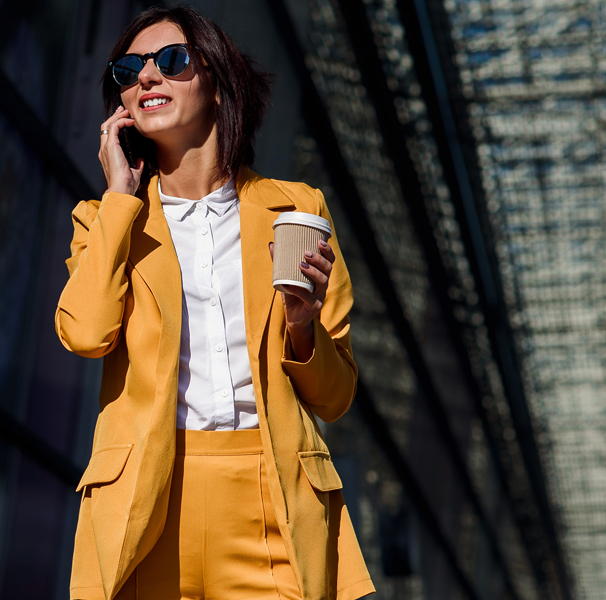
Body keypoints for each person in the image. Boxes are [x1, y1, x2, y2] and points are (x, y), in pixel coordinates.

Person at [55, 6, 375, 600]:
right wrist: (121, 198)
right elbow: (85, 334)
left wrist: (303, 330)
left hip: (271, 494)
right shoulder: (103, 222)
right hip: (146, 499)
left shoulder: (296, 210)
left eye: (171, 62)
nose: (147, 78)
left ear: (220, 86)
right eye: (129, 71)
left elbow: (335, 397)